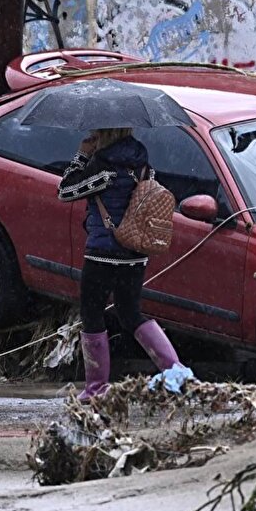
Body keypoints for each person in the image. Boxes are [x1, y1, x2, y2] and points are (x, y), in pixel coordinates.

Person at [57, 127, 187, 400]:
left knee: (92, 315)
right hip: (135, 252)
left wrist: (81, 155)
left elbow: (66, 190)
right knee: (131, 314)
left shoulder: (102, 167)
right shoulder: (142, 164)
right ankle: (176, 370)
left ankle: (96, 388)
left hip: (102, 253)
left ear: (103, 133)